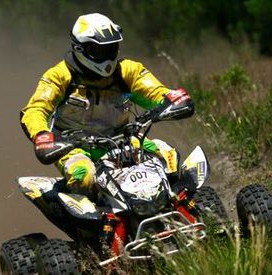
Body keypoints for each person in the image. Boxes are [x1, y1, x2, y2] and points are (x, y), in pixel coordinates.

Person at [20, 13, 194, 193]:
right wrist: (41, 134)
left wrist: (172, 98)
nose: (107, 56)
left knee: (168, 158)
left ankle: (188, 207)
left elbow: (156, 92)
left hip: (124, 142)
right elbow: (35, 109)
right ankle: (90, 215)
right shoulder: (59, 76)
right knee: (84, 177)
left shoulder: (128, 71)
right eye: (99, 51)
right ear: (80, 49)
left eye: (111, 48)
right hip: (74, 148)